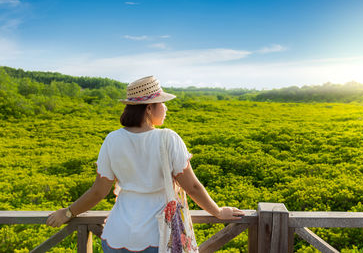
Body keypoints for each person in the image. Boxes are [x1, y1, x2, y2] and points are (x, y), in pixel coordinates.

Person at [46, 76, 244, 252]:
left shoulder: (112, 140)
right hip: (158, 238)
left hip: (116, 235)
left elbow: (98, 191)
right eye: (161, 103)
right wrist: (218, 212)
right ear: (149, 108)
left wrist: (68, 212)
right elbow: (192, 187)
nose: (165, 108)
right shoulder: (169, 138)